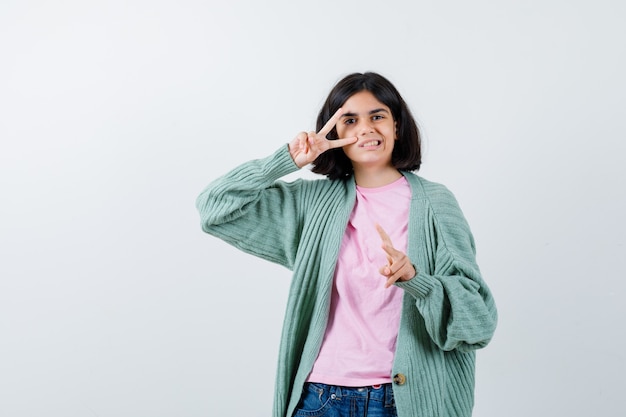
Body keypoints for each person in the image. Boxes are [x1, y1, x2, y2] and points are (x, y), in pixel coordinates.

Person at [196, 72, 497, 417]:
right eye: (350, 120)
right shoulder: (312, 204)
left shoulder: (435, 203)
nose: (365, 129)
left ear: (397, 127)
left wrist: (417, 281)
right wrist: (287, 159)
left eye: (377, 116)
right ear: (334, 131)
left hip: (401, 401)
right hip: (321, 398)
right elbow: (215, 208)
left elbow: (479, 319)